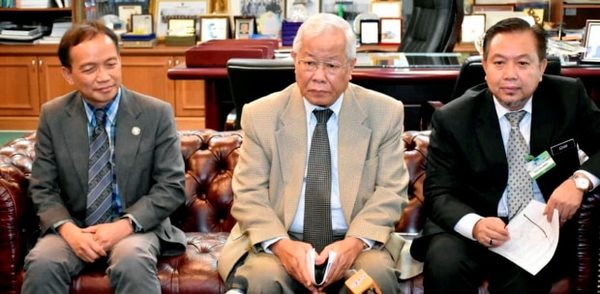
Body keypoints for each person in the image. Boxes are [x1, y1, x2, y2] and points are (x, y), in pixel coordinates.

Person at [217, 13, 408, 293]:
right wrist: (282, 246)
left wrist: (352, 244)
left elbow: (391, 192)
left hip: (357, 241)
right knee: (263, 278)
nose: (318, 76)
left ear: (351, 66)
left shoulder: (384, 113)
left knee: (375, 276)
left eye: (331, 65)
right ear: (294, 59)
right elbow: (249, 194)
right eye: (308, 63)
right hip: (281, 238)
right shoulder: (261, 114)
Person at [411, 17, 600, 293]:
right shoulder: (453, 118)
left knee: (523, 278)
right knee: (444, 263)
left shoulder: (568, 98)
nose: (510, 74)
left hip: (539, 227)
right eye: (499, 63)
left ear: (542, 67)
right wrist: (475, 225)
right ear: (485, 67)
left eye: (523, 63)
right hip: (472, 223)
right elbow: (439, 192)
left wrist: (579, 181)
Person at [21, 21, 186, 294]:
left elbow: (171, 187)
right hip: (75, 227)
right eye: (89, 69)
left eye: (111, 64)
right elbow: (42, 187)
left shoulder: (156, 113)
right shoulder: (53, 116)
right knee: (42, 262)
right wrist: (68, 230)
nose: (104, 76)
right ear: (68, 74)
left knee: (131, 261)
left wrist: (124, 226)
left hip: (135, 228)